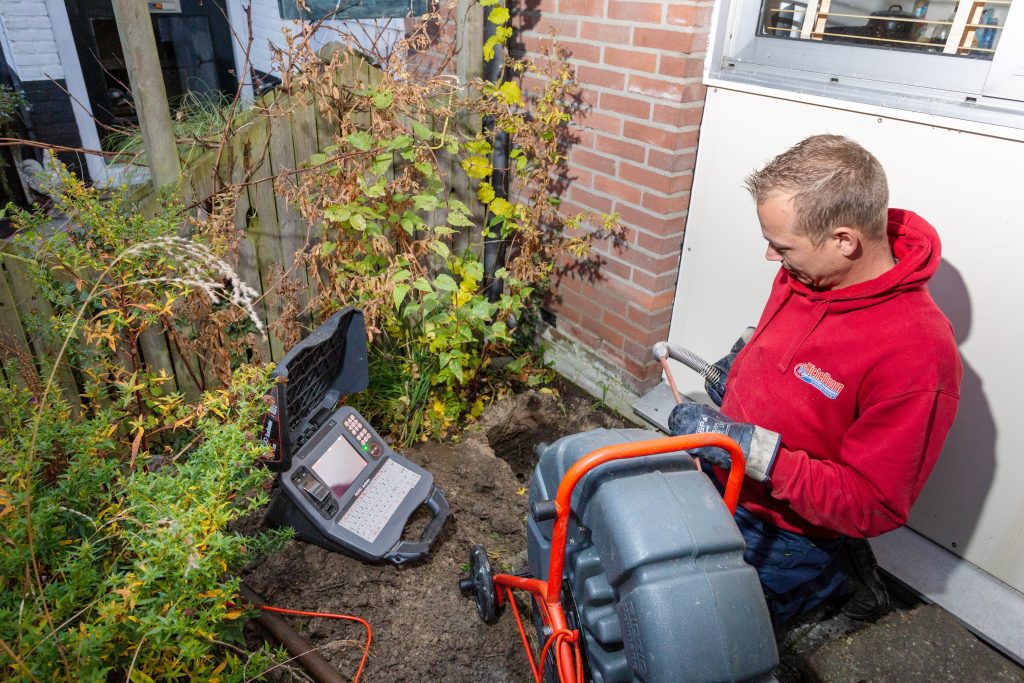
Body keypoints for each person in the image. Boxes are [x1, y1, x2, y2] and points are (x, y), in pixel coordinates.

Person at [668, 134, 962, 628]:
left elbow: (873, 503)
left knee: (711, 629)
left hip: (784, 534)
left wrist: (755, 453)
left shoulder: (918, 354)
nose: (769, 257)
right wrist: (739, 371)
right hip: (722, 484)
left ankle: (829, 589)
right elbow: (793, 352)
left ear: (845, 240)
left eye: (781, 245)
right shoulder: (806, 273)